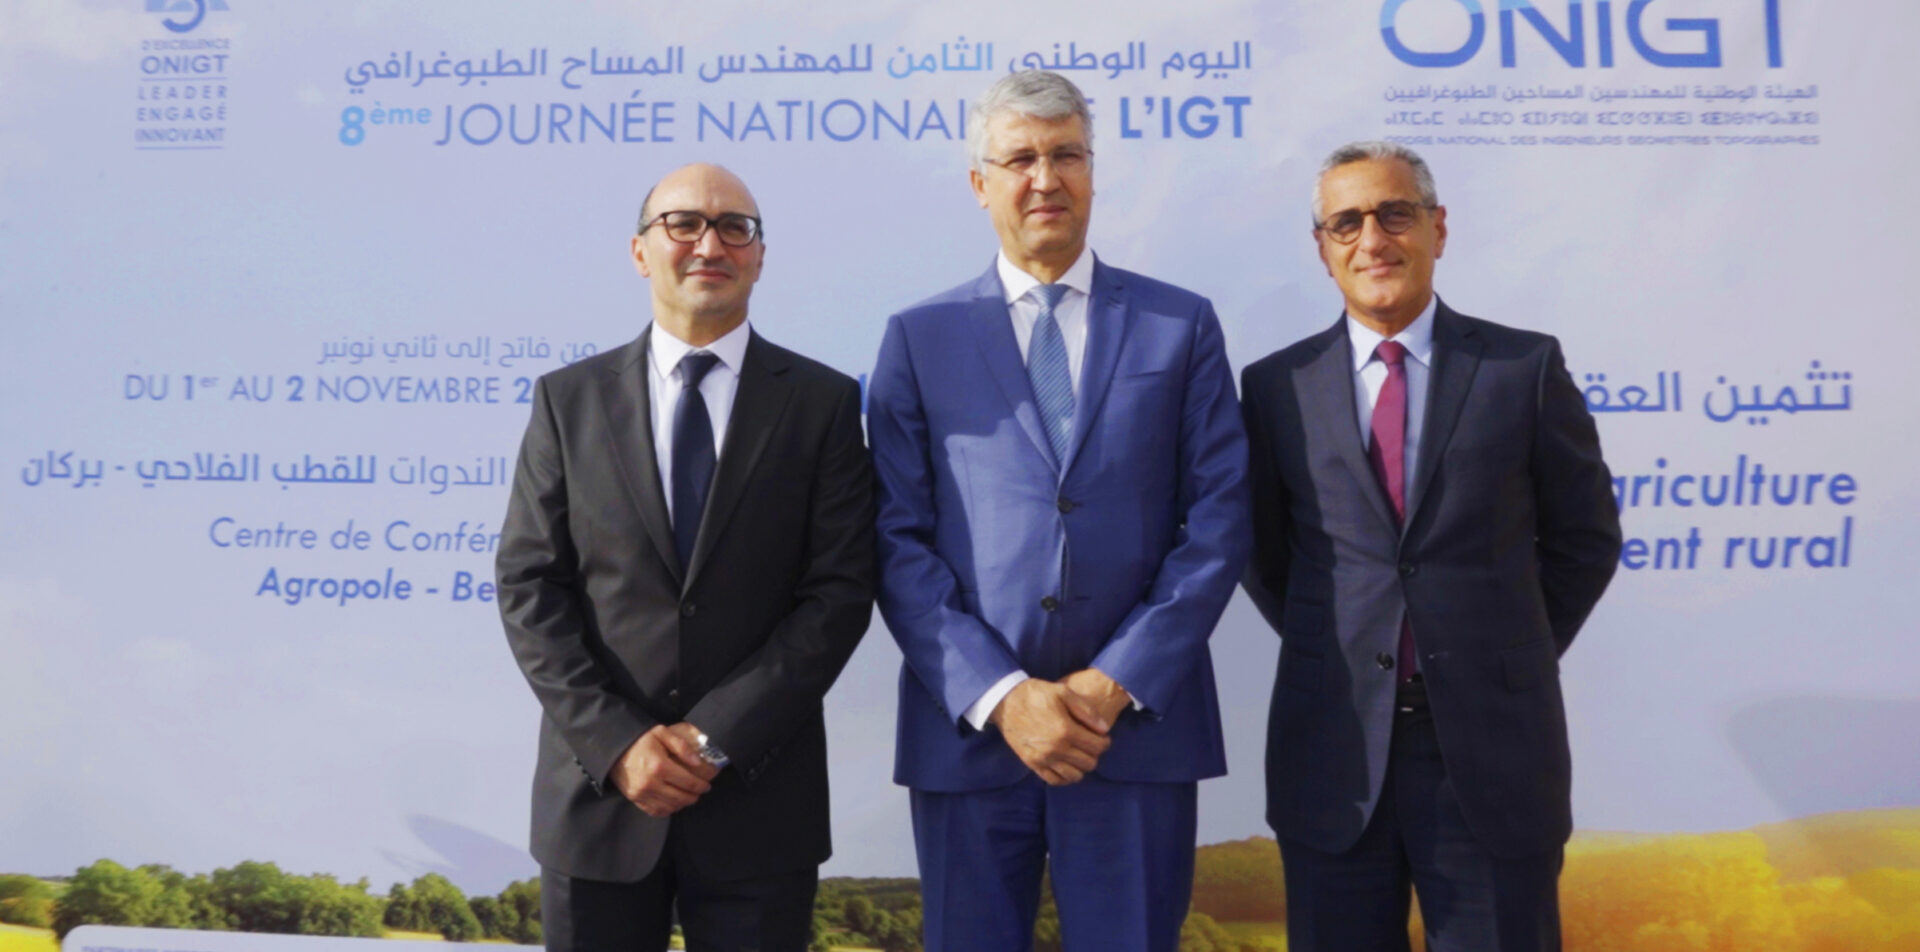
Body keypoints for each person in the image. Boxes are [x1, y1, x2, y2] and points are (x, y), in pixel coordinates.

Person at [867, 70, 1251, 952]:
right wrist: (1004, 698)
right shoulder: (917, 338)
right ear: (981, 183)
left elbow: (1219, 519)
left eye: (1066, 155)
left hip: (1133, 734)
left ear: (1092, 171)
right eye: (1021, 159)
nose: (1046, 178)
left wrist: (1112, 683)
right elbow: (893, 537)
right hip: (972, 737)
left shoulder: (1179, 325)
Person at [1239, 141, 1621, 952]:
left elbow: (1585, 540)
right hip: (1335, 754)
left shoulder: (1522, 367)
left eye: (1395, 214)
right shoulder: (1274, 388)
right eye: (1346, 223)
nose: (1372, 239)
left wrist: (1500, 650)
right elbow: (1265, 555)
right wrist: (1346, 647)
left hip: (1493, 756)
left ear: (1438, 229)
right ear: (1323, 249)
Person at [494, 162, 874, 952]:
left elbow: (838, 593)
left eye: (735, 227)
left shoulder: (823, 403)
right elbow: (531, 584)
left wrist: (714, 737)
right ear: (640, 251)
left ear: (760, 257)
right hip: (599, 802)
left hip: (760, 808)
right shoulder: (568, 400)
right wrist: (619, 744)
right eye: (684, 224)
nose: (710, 244)